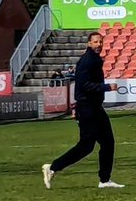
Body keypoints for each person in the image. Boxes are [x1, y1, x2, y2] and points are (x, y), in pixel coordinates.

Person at [42, 31, 124, 189]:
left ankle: (105, 180)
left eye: (100, 42)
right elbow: (83, 85)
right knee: (86, 146)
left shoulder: (94, 59)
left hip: (95, 108)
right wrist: (107, 87)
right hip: (87, 109)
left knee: (108, 143)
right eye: (95, 42)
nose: (99, 45)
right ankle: (52, 168)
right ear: (89, 43)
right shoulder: (87, 61)